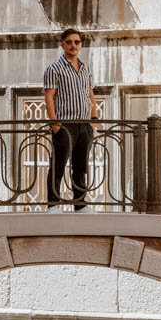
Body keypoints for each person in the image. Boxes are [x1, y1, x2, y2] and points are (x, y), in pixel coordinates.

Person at [43, 27, 100, 210]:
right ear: (63, 45)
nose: (73, 45)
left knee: (81, 167)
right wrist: (55, 125)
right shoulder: (54, 69)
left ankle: (80, 205)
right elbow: (49, 97)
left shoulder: (85, 69)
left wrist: (93, 119)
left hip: (84, 125)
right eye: (69, 42)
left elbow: (90, 94)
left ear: (81, 45)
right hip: (65, 125)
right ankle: (53, 204)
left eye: (76, 42)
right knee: (58, 166)